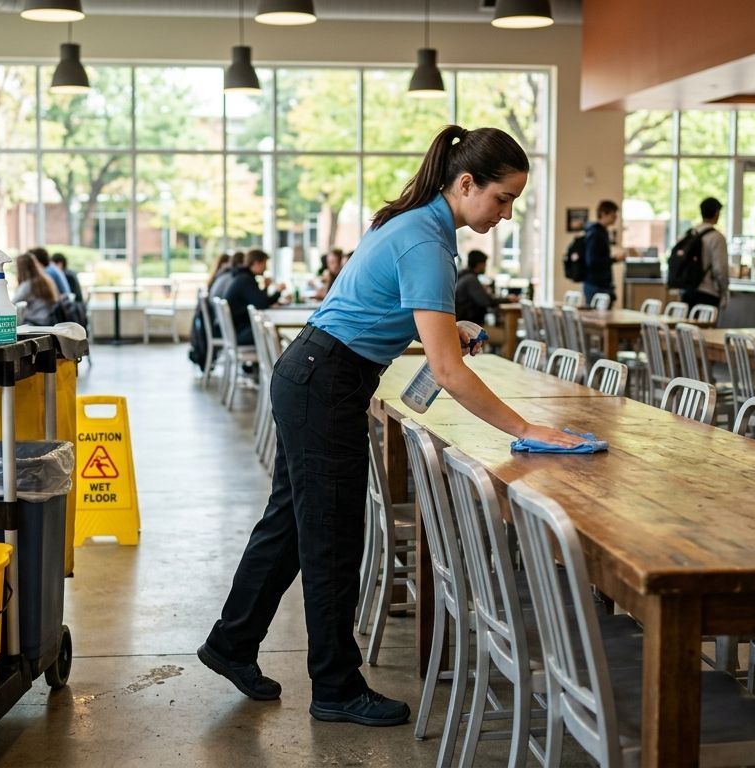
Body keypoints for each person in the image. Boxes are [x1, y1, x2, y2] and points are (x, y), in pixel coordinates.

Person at [198, 124, 584, 729]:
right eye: (502, 198)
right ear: (465, 183)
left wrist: (445, 327)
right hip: (325, 382)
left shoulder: (417, 224)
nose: (505, 214)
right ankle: (335, 688)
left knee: (293, 526)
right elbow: (448, 374)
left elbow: (378, 305)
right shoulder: (424, 240)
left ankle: (231, 642)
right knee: (331, 538)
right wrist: (526, 427)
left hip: (314, 374)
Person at [220, 249, 286, 346]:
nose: (265, 268)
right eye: (264, 264)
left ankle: (269, 361)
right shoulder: (245, 279)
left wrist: (266, 287)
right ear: (256, 263)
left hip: (235, 330)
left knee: (270, 330)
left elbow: (258, 300)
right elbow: (262, 304)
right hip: (239, 332)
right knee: (272, 333)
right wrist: (278, 291)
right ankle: (273, 361)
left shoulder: (242, 276)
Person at [453, 249, 506, 348]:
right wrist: (507, 299)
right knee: (505, 337)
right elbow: (485, 301)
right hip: (470, 326)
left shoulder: (463, 276)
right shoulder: (471, 279)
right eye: (485, 263)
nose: (486, 266)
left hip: (461, 323)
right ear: (480, 264)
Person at [685, 197, 730, 308]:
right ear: (716, 213)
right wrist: (724, 290)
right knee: (706, 325)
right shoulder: (717, 237)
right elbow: (720, 268)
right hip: (708, 292)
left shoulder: (690, 233)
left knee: (689, 325)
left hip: (687, 290)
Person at [583, 200, 625, 306]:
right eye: (612, 214)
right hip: (596, 285)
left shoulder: (602, 232)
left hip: (602, 284)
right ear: (603, 214)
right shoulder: (595, 234)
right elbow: (592, 261)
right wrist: (614, 259)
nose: (615, 217)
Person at [13, 251, 61, 326]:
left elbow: (12, 303)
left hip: (35, 323)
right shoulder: (46, 279)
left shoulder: (27, 285)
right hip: (49, 320)